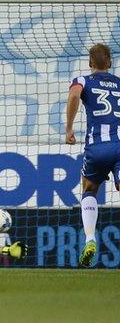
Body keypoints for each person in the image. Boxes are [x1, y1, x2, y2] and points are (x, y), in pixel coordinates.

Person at [65, 43, 120, 268]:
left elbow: (74, 96)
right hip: (119, 145)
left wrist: (69, 128)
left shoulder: (83, 80)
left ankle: (89, 240)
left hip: (96, 147)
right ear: (109, 63)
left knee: (89, 189)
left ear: (90, 63)